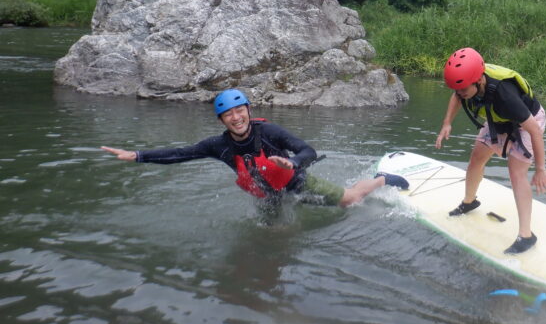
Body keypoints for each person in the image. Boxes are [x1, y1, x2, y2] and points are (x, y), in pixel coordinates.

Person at [101, 89, 408, 208]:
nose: (236, 118)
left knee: (350, 200)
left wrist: (294, 163)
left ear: (248, 110)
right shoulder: (218, 146)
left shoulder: (269, 131)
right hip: (270, 198)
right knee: (273, 239)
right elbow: (179, 153)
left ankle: (381, 178)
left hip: (298, 181)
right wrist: (138, 156)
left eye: (240, 111)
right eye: (228, 114)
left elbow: (307, 150)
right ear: (222, 119)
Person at [435, 48, 546, 254]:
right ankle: (469, 202)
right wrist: (446, 123)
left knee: (516, 172)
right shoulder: (467, 83)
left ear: (478, 81)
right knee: (476, 158)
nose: (459, 93)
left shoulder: (505, 97)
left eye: (463, 90)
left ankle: (526, 235)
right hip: (498, 118)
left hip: (528, 123)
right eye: (457, 89)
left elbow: (534, 131)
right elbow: (457, 96)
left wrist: (541, 168)